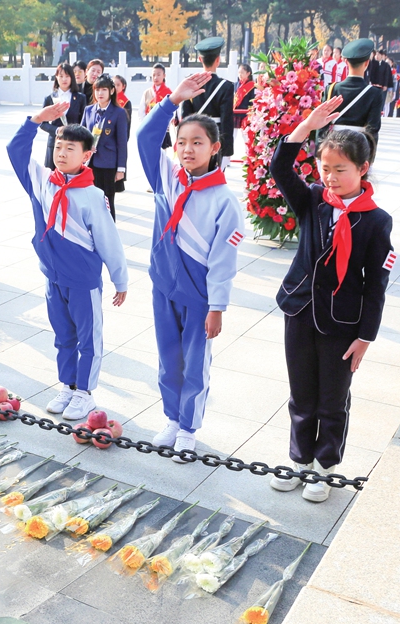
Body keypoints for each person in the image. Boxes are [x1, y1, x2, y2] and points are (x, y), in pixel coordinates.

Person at [268, 95, 394, 503]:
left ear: (363, 169)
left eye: (340, 170)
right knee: (301, 392)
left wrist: (366, 336)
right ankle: (299, 459)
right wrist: (304, 127)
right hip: (300, 309)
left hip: (342, 322)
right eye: (325, 169)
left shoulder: (376, 220)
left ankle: (325, 466)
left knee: (332, 399)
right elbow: (279, 168)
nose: (331, 178)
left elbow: (376, 283)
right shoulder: (313, 203)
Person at [137, 72, 245, 459]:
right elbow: (145, 139)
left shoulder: (224, 201)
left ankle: (188, 426)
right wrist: (171, 101)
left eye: (197, 143)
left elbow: (223, 261)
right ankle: (171, 417)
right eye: (181, 142)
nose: (187, 149)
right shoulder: (167, 177)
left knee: (194, 363)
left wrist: (217, 306)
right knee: (168, 358)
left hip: (199, 295)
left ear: (215, 148)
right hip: (164, 285)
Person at [7, 102, 129, 421]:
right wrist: (35, 121)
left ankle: (85, 392)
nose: (61, 153)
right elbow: (15, 150)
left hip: (83, 281)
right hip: (53, 278)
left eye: (70, 148)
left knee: (88, 338)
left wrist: (120, 280)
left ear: (87, 155)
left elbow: (109, 241)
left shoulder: (92, 196)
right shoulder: (43, 182)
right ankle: (68, 384)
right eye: (59, 146)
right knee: (63, 336)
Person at [181, 37, 234, 170]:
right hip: (216, 141)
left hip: (194, 140)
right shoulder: (226, 86)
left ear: (200, 60)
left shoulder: (190, 82)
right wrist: (227, 150)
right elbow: (227, 120)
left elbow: (185, 118)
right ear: (218, 60)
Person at [324, 39, 384, 156]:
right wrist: (369, 156)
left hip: (331, 148)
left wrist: (320, 152)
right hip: (358, 149)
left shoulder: (331, 89)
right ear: (366, 63)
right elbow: (373, 129)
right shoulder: (374, 93)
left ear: (345, 62)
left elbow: (322, 124)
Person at [82, 74, 129, 219]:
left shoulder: (119, 112)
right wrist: (87, 147)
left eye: (104, 90)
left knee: (107, 199)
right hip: (90, 163)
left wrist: (121, 169)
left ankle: (109, 233)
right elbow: (82, 133)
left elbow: (122, 143)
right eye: (97, 90)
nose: (100, 93)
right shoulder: (88, 110)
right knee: (91, 199)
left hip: (109, 163)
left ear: (112, 91)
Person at [39, 61, 87, 169]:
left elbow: (83, 122)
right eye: (61, 76)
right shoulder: (50, 98)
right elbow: (42, 123)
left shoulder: (80, 98)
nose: (64, 79)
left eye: (67, 76)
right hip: (55, 143)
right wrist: (56, 130)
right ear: (56, 77)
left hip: (74, 143)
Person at [140, 63, 173, 149]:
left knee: (162, 156)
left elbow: (172, 112)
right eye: (153, 75)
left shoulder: (168, 93)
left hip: (163, 129)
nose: (155, 77)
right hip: (149, 128)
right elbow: (141, 112)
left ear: (164, 75)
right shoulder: (147, 92)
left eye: (158, 75)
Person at [233, 63, 255, 131]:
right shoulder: (236, 84)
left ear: (248, 73)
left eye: (242, 72)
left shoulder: (252, 86)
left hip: (245, 114)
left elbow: (252, 101)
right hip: (235, 113)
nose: (240, 74)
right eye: (239, 72)